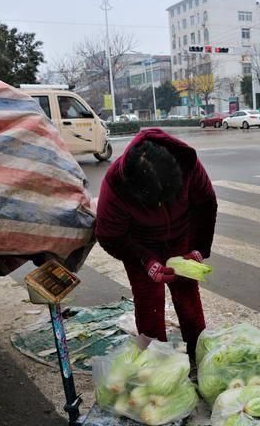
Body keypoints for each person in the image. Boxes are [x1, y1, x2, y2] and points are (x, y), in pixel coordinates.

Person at [95, 129, 217, 362]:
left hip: (181, 236)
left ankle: (199, 353)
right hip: (139, 244)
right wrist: (145, 260)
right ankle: (157, 363)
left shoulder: (186, 163)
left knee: (187, 293)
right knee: (148, 300)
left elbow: (206, 205)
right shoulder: (116, 184)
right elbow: (110, 235)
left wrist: (198, 250)